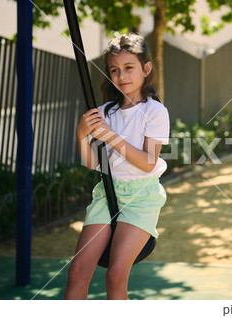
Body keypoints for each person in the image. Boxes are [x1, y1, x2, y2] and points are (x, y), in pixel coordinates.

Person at [64, 33, 169, 300]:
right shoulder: (105, 112)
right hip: (106, 191)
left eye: (129, 67)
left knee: (116, 273)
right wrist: (81, 135)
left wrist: (109, 135)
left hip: (140, 197)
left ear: (146, 69)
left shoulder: (155, 112)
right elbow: (94, 164)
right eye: (114, 70)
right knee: (77, 271)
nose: (122, 76)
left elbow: (147, 163)